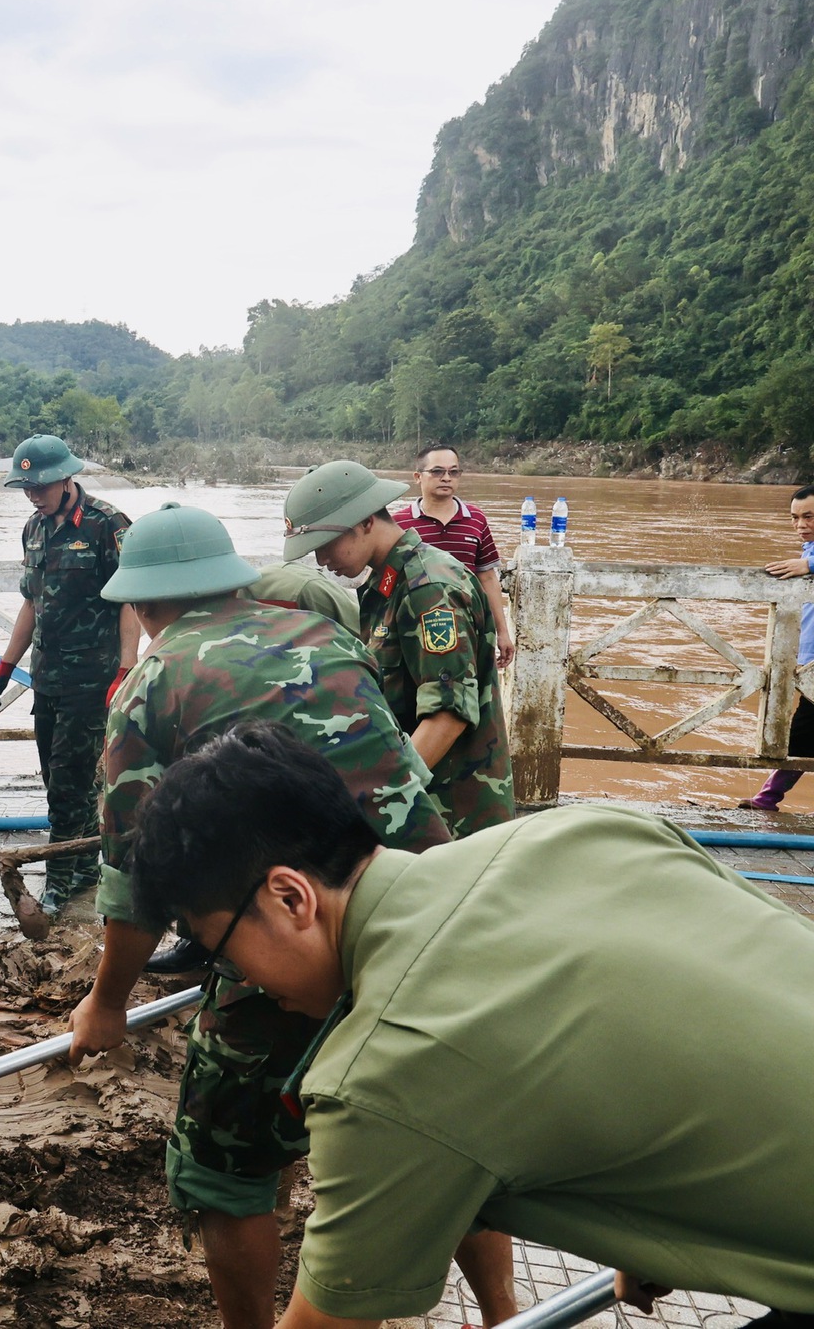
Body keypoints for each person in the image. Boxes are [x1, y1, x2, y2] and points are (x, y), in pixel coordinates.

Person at [126, 721, 814, 1329]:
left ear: (289, 896)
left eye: (220, 950)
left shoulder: (381, 1075)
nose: (236, 979)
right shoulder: (582, 829)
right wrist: (656, 1231)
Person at [67, 504, 512, 1329]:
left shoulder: (153, 684)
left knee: (219, 1167)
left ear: (145, 605)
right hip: (428, 912)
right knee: (447, 1140)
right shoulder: (329, 638)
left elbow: (132, 876)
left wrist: (107, 1004)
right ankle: (503, 1318)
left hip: (295, 940)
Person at [285, 460, 514, 838]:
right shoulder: (390, 583)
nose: (321, 561)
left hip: (448, 814)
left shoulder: (430, 588)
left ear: (365, 522)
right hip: (421, 804)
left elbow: (448, 716)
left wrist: (378, 802)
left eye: (326, 545)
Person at [0, 434, 137, 915]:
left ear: (67, 477)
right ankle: (88, 863)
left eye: (40, 485)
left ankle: (59, 883)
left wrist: (127, 668)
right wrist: (6, 665)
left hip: (93, 676)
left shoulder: (107, 524)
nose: (32, 493)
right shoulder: (33, 528)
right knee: (57, 778)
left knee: (70, 784)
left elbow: (132, 599)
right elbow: (32, 600)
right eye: (25, 486)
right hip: (45, 676)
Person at [393, 446, 515, 667]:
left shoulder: (475, 519)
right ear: (418, 477)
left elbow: (487, 579)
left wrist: (502, 632)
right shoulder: (399, 524)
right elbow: (386, 578)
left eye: (453, 472)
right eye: (437, 471)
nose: (446, 478)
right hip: (413, 628)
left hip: (470, 627)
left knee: (471, 693)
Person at [740, 483, 814, 810]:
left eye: (809, 517)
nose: (801, 525)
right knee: (802, 735)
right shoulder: (808, 551)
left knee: (800, 734)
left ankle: (766, 799)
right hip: (807, 661)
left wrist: (809, 567)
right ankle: (766, 799)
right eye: (795, 518)